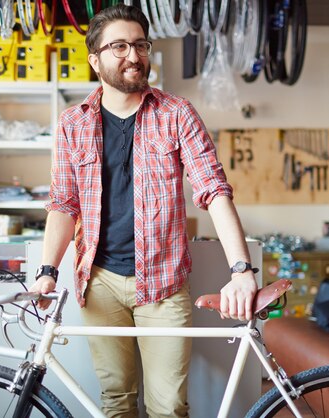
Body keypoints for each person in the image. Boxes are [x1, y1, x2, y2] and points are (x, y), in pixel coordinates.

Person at [31, 4, 257, 417]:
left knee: (168, 407)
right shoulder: (72, 124)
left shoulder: (176, 114)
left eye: (140, 44)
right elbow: (64, 203)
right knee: (115, 402)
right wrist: (47, 272)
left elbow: (214, 190)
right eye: (119, 46)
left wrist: (241, 270)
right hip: (97, 283)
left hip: (164, 284)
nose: (133, 55)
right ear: (94, 58)